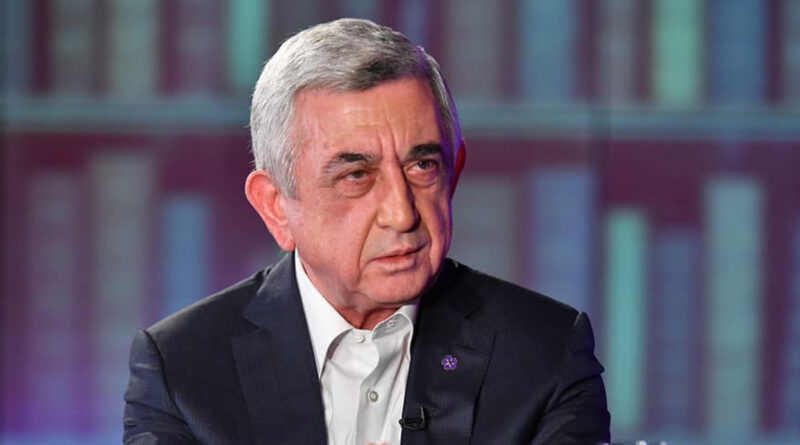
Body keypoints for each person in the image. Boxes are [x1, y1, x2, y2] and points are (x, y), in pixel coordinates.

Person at [123, 18, 610, 444]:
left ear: (454, 173)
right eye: (357, 175)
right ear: (276, 207)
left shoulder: (546, 353)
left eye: (422, 166)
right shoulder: (182, 369)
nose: (402, 214)